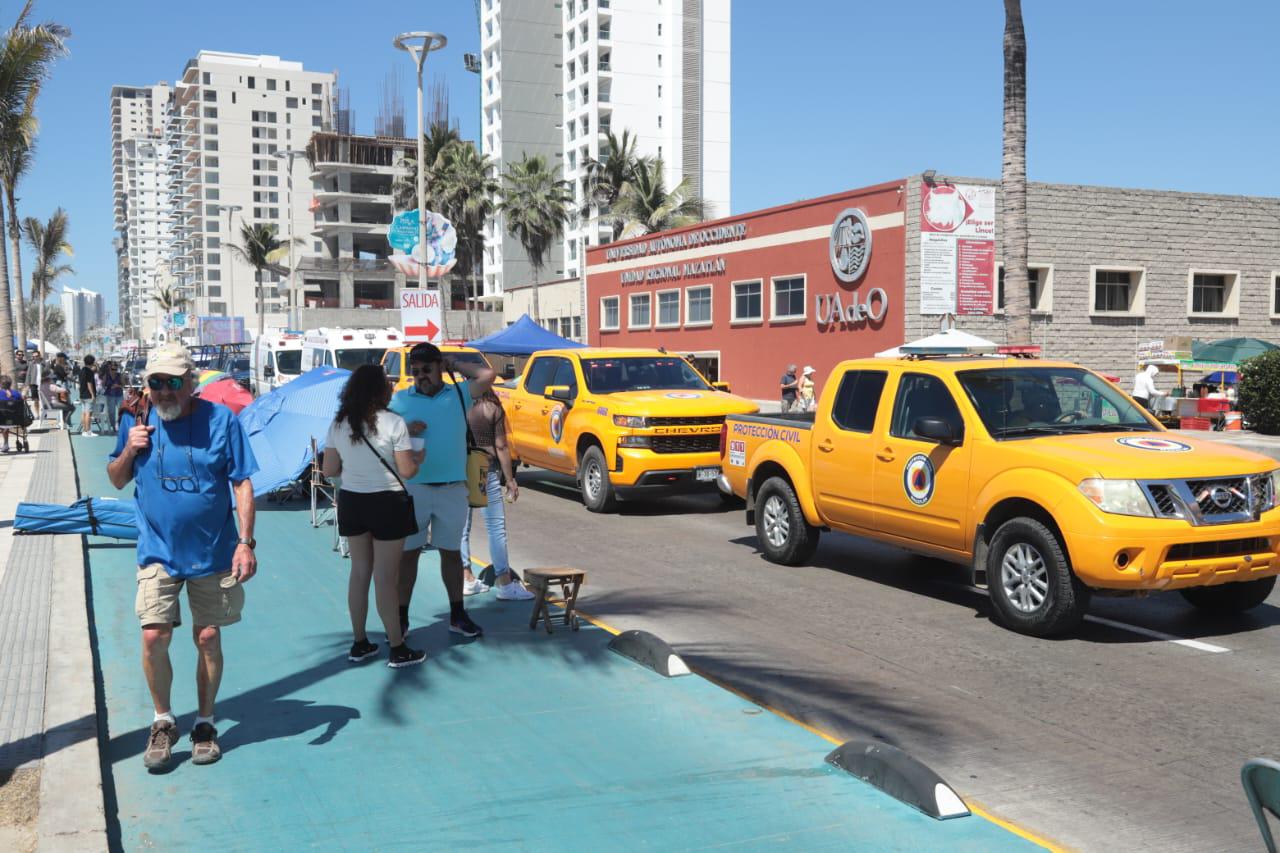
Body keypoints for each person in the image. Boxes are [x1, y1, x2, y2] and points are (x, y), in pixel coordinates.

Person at [106, 343, 259, 771]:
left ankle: (206, 724)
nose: (164, 392)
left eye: (173, 382)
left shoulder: (220, 420)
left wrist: (245, 541)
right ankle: (163, 720)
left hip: (213, 551)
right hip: (157, 550)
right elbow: (116, 479)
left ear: (190, 382)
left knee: (207, 636)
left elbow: (242, 482)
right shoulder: (135, 419)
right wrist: (128, 450)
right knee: (154, 635)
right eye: (156, 383)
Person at [321, 364, 427, 668]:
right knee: (385, 578)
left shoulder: (340, 423)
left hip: (353, 502)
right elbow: (407, 471)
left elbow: (329, 470)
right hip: (388, 503)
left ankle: (359, 643)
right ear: (380, 390)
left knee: (359, 573)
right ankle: (397, 646)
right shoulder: (394, 423)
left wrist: (354, 469)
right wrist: (418, 459)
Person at [388, 342, 496, 640]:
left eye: (427, 369)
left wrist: (455, 364)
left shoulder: (459, 394)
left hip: (452, 489)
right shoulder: (399, 401)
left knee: (451, 554)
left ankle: (457, 615)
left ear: (439, 368)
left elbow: (488, 375)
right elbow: (378, 433)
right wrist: (405, 429)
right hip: (414, 489)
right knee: (408, 555)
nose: (421, 376)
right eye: (416, 371)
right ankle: (401, 618)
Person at [459, 388, 532, 601]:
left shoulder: (459, 405)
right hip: (485, 468)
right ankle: (504, 582)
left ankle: (466, 577)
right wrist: (510, 479)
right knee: (495, 527)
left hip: (460, 467)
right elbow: (501, 445)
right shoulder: (492, 408)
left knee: (462, 527)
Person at [0, 375, 23, 452]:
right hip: (16, 421)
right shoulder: (17, 394)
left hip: (1, 421)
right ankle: (5, 444)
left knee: (3, 419)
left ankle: (6, 444)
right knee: (6, 419)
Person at [101, 361, 124, 433]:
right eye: (113, 369)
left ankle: (120, 425)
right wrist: (107, 387)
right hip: (110, 395)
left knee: (121, 411)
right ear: (110, 369)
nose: (114, 371)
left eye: (116, 369)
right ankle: (113, 426)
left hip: (119, 394)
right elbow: (103, 385)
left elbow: (123, 385)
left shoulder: (119, 375)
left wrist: (118, 386)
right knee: (111, 412)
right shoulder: (106, 375)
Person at [79, 354, 99, 436]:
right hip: (88, 394)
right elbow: (89, 383)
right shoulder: (89, 371)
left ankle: (84, 430)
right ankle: (88, 431)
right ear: (92, 362)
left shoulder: (82, 370)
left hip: (82, 394)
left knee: (83, 413)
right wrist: (92, 394)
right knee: (88, 413)